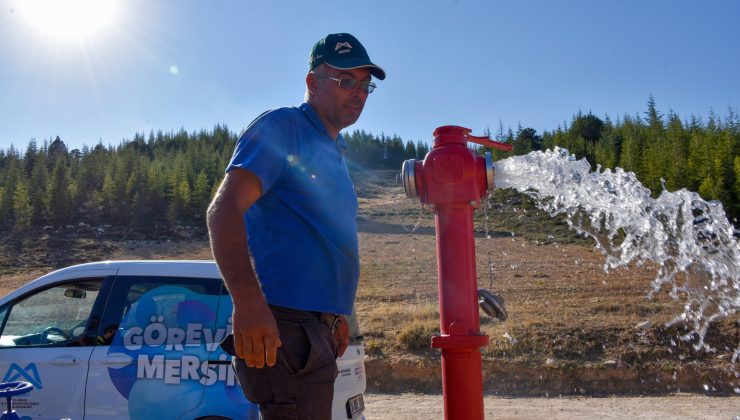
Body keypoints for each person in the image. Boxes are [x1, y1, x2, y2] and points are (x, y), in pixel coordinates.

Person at [207, 33, 385, 419]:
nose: (358, 93)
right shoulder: (284, 127)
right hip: (284, 325)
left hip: (314, 328)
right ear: (312, 83)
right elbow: (222, 212)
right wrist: (249, 303)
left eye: (365, 85)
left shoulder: (332, 150)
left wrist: (336, 317)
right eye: (345, 81)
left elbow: (324, 243)